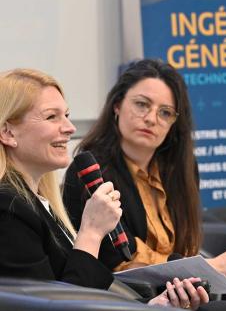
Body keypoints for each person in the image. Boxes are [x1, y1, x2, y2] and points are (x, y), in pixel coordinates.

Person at [0, 68, 211, 310]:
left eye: (67, 115)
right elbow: (56, 305)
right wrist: (91, 232)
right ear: (7, 132)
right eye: (52, 117)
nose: (69, 127)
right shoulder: (8, 209)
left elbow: (80, 290)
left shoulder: (38, 203)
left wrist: (153, 304)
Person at [62, 58, 226, 278]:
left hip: (180, 291)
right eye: (142, 104)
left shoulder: (180, 170)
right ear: (117, 105)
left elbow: (187, 247)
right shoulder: (91, 171)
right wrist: (212, 268)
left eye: (165, 112)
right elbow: (120, 259)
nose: (151, 119)